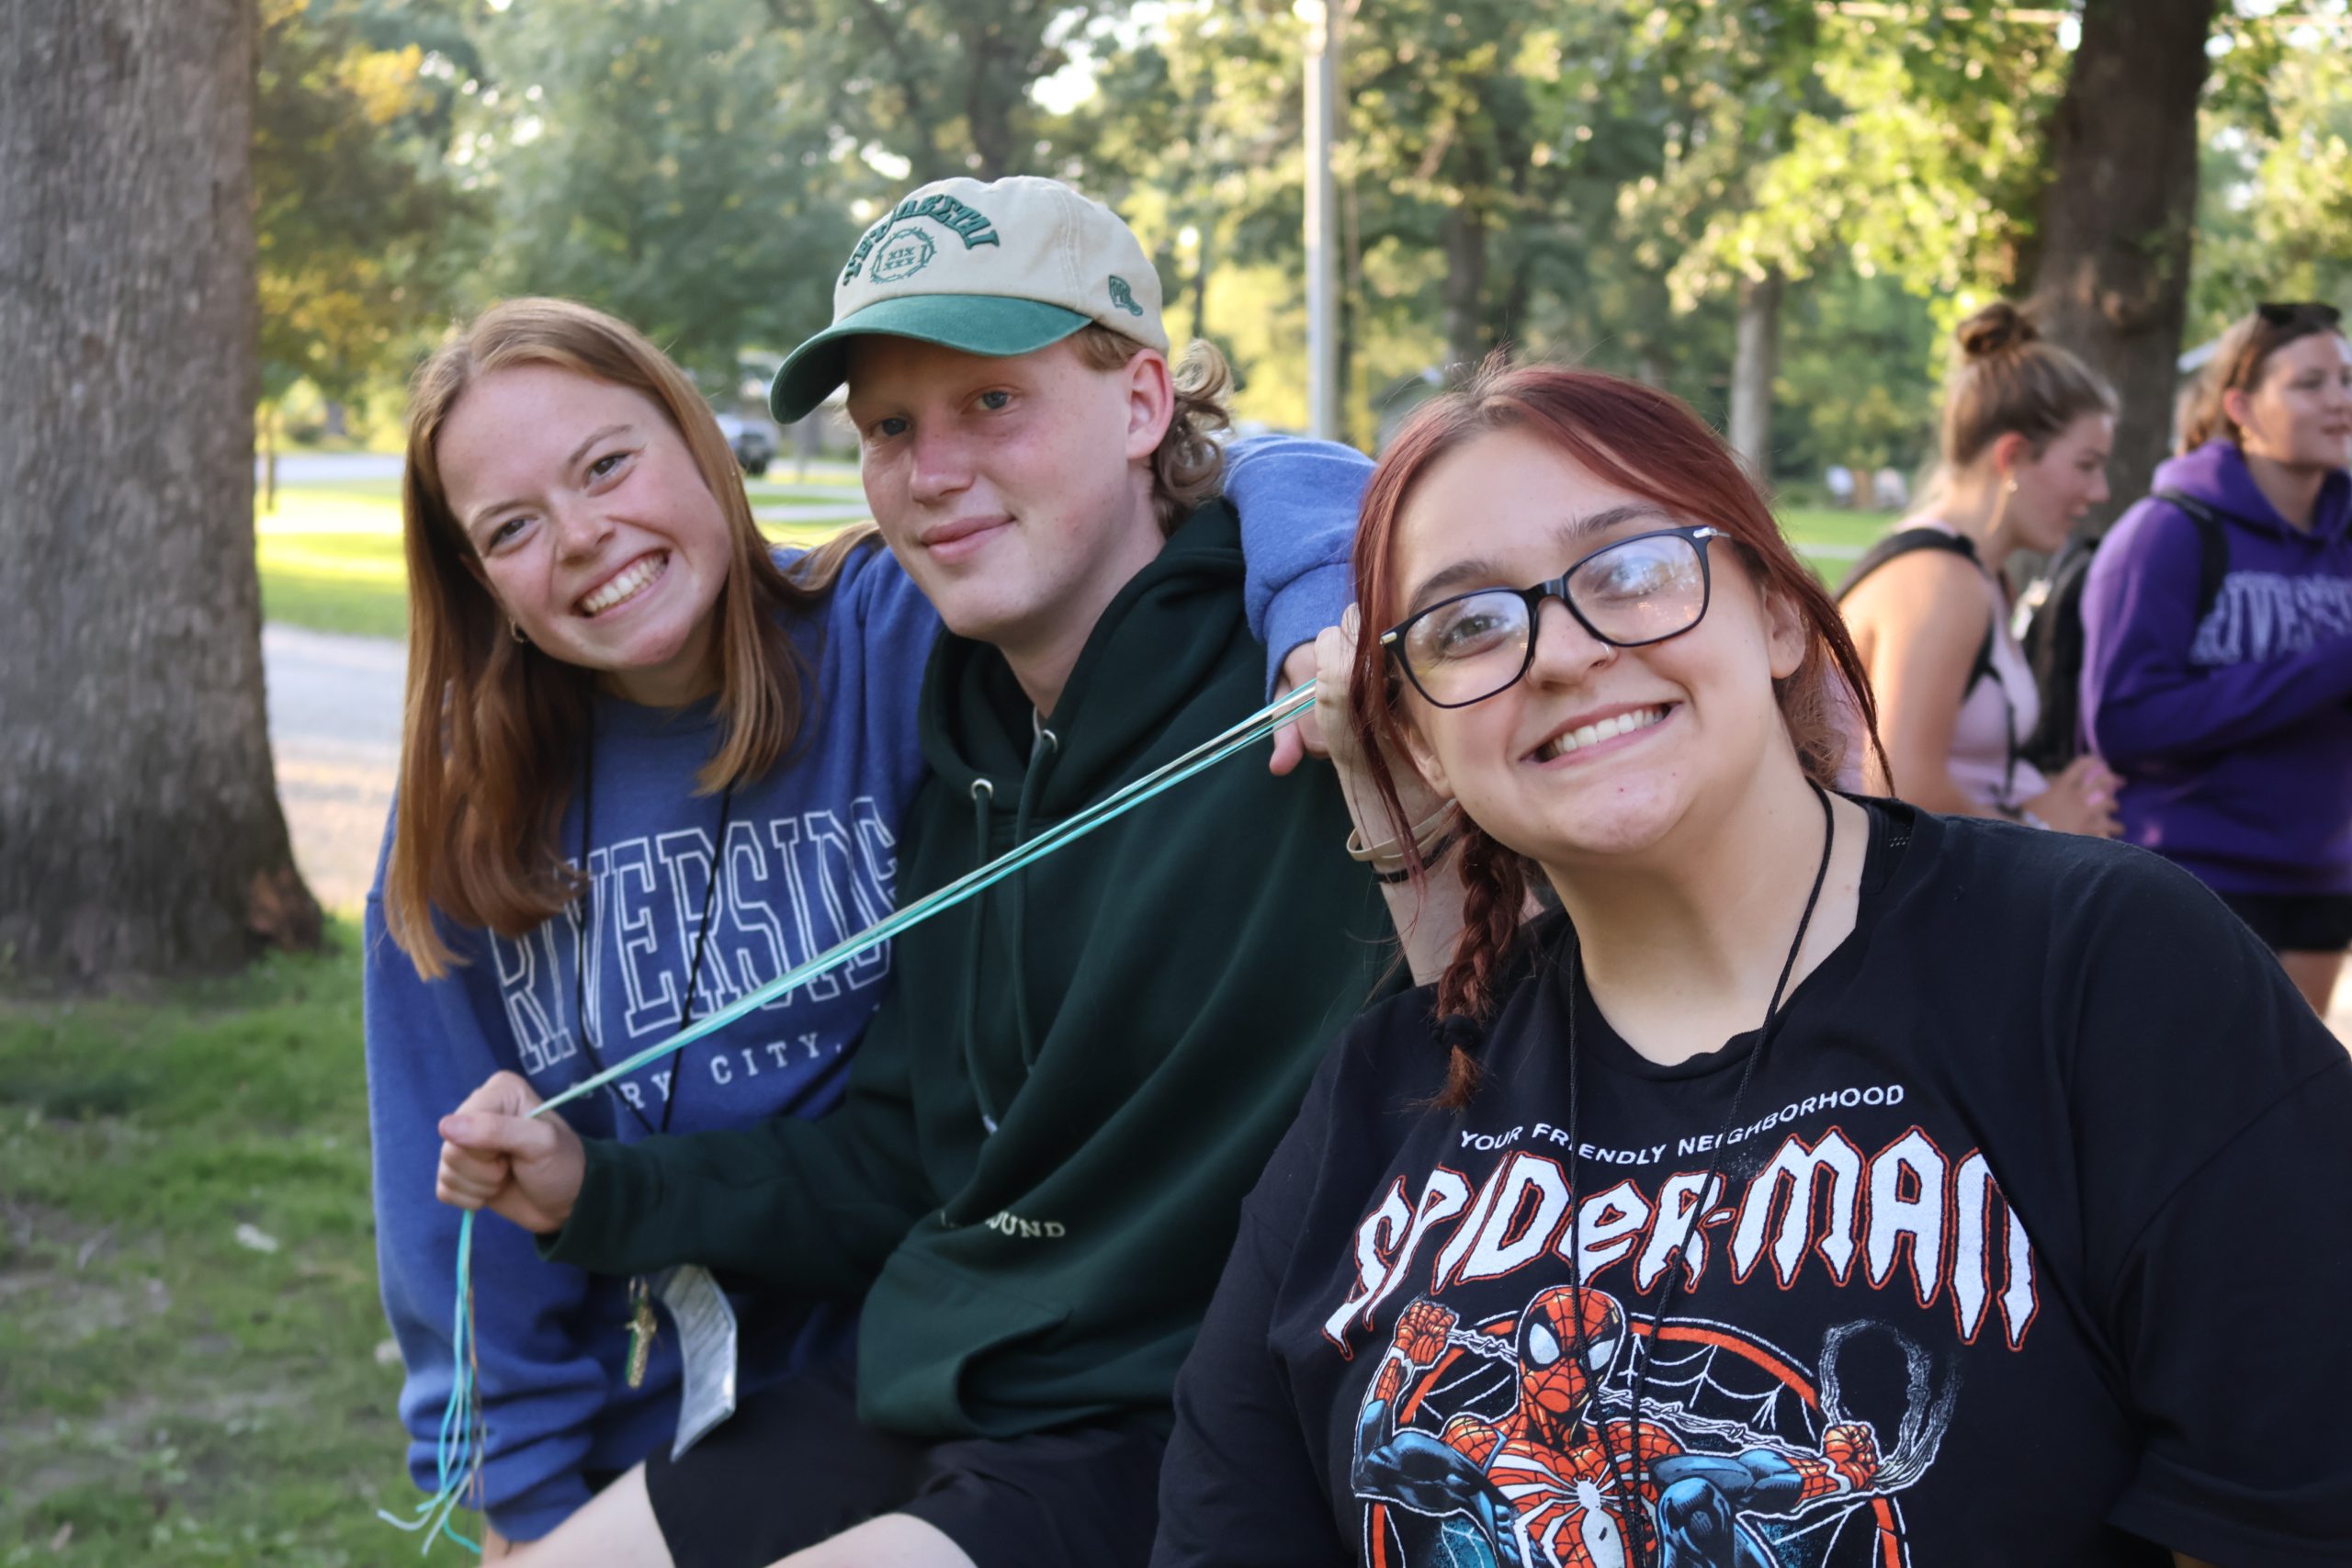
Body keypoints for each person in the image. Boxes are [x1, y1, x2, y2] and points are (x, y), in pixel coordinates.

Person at [1152, 362, 2352, 1568]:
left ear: (1779, 614)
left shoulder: (2100, 969)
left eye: (1628, 569)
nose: (1559, 651)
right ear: (1419, 739)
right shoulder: (1384, 1095)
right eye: (1468, 625)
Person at [428, 175, 1460, 1568]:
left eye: (993, 401)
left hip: (1169, 1423)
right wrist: (591, 1189)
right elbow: (904, 1159)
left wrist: (1348, 612)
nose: (932, 470)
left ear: (1142, 404)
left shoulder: (1313, 679)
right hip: (934, 1373)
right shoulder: (957, 730)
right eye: (891, 427)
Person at [2081, 300, 2352, 1017]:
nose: (2340, 400)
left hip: (2323, 877)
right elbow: (2125, 722)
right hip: (2193, 873)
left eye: (2347, 380)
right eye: (2310, 383)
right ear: (2241, 407)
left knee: (2294, 1086)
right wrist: (2328, 667)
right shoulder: (2167, 532)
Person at [1837, 303, 2120, 834]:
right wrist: (2041, 828)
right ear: (2012, 456)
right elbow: (1900, 787)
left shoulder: (1982, 578)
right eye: (2086, 465)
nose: (2099, 491)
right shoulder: (1939, 580)